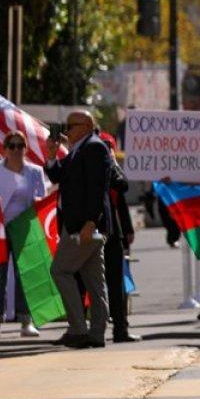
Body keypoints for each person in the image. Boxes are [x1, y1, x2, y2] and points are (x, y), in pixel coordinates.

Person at [44, 110, 112, 349]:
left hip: (83, 227)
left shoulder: (94, 147)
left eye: (71, 126)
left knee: (60, 271)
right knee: (94, 283)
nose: (66, 131)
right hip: (79, 226)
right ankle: (96, 333)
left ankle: (78, 328)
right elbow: (57, 175)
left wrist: (91, 221)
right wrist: (51, 156)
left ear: (86, 126)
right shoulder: (79, 149)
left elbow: (98, 188)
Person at [0, 130, 48, 339]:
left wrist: (36, 203)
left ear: (25, 149)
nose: (15, 150)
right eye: (11, 146)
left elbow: (42, 198)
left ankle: (26, 321)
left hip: (24, 228)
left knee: (25, 275)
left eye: (20, 146)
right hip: (1, 230)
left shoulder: (34, 171)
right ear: (4, 149)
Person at [103, 149, 140, 342]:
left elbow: (122, 192)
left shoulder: (112, 172)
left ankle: (120, 328)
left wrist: (128, 229)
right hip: (94, 231)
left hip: (114, 234)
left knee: (117, 282)